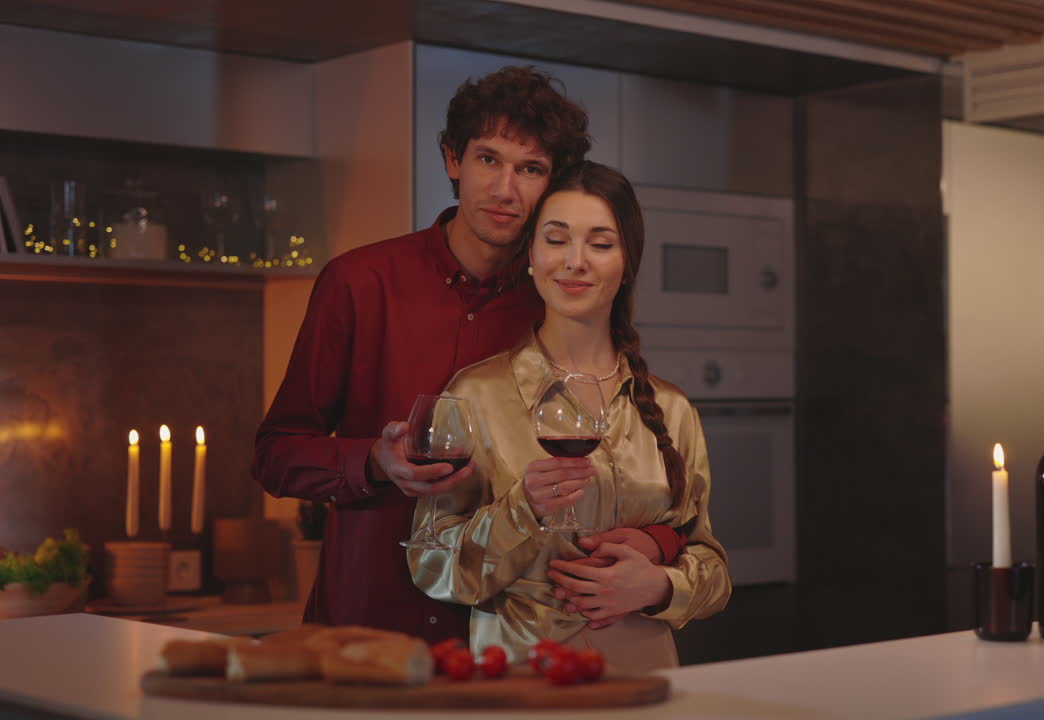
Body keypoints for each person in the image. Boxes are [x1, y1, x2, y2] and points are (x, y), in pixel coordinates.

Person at [253, 67, 683, 642]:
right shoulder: (359, 282)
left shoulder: (560, 299)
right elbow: (276, 454)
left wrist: (659, 543)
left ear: (552, 183)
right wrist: (375, 463)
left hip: (509, 636)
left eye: (530, 169)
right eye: (488, 159)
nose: (506, 190)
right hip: (369, 624)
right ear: (453, 159)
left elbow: (623, 466)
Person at [408, 161, 731, 673]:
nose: (575, 261)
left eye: (600, 244)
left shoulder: (671, 409)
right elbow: (433, 569)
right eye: (556, 240)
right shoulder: (475, 394)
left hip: (646, 675)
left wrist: (659, 585)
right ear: (532, 258)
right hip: (521, 677)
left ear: (626, 263)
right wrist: (521, 512)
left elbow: (712, 567)